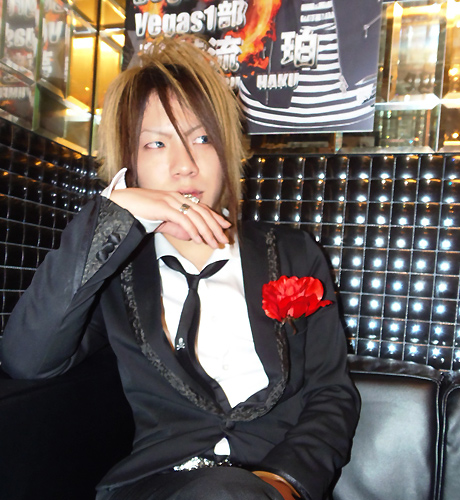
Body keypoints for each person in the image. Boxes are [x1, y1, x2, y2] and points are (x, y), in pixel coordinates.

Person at [1, 35, 359, 500]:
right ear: (130, 165)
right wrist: (114, 212)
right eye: (156, 143)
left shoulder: (293, 254)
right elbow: (27, 359)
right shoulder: (117, 275)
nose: (184, 166)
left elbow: (331, 393)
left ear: (227, 151)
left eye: (202, 138)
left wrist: (284, 482)